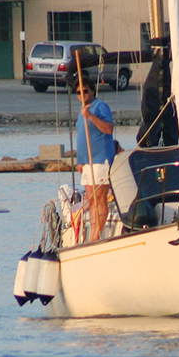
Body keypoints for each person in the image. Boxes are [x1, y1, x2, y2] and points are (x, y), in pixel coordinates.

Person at [74, 76, 116, 242]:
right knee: (91, 198)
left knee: (99, 197)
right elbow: (82, 138)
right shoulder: (81, 111)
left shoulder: (100, 106)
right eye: (78, 92)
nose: (82, 95)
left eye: (85, 91)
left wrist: (90, 116)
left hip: (100, 159)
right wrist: (80, 161)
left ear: (92, 91)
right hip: (87, 162)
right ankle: (93, 234)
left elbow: (108, 129)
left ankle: (95, 236)